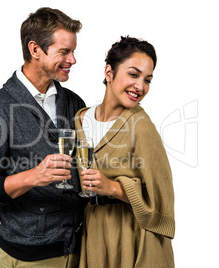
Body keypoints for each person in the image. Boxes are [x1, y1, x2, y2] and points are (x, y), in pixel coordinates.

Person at [0, 7, 86, 267]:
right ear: (35, 49)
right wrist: (33, 177)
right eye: (64, 51)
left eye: (73, 51)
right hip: (29, 258)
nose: (73, 59)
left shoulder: (74, 102)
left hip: (81, 250)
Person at [75, 36, 175, 267]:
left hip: (135, 236)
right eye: (133, 74)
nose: (140, 87)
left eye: (147, 79)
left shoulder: (141, 126)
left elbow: (161, 199)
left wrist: (111, 187)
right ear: (109, 72)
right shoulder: (80, 121)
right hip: (94, 233)